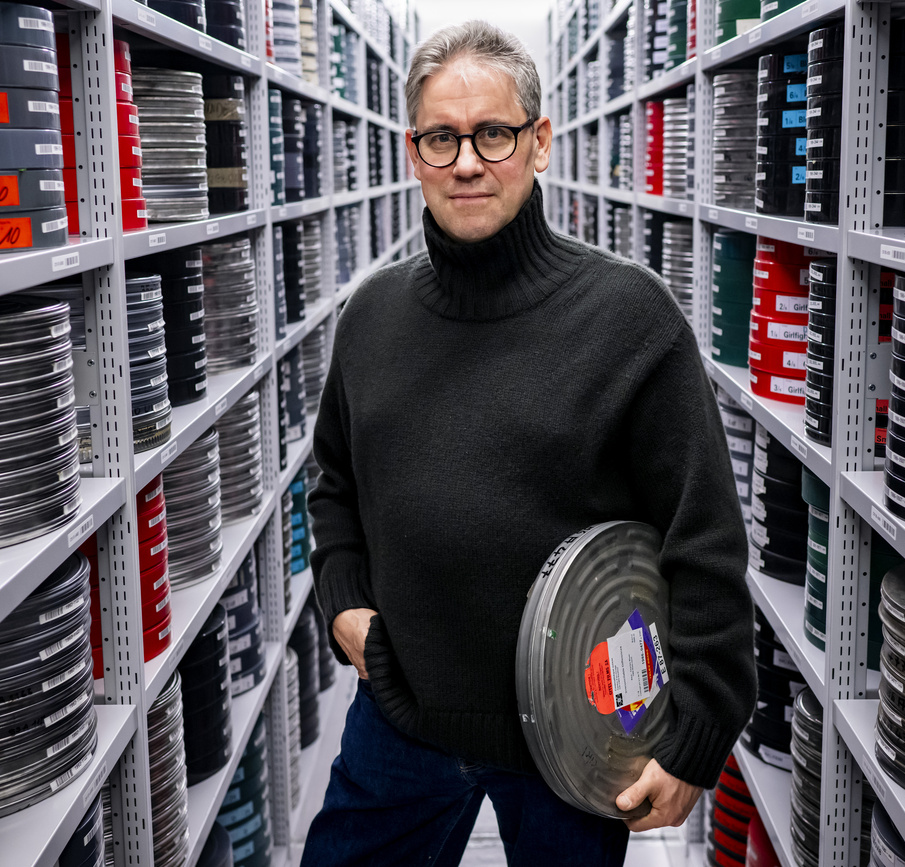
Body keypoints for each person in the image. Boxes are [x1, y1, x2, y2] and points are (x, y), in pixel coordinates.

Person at [301, 20, 755, 867]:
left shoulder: (630, 319)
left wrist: (698, 730)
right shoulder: (372, 317)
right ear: (413, 154)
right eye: (442, 138)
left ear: (538, 142)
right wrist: (346, 606)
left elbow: (706, 537)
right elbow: (332, 486)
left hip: (574, 742)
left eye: (493, 134)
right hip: (402, 717)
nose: (467, 162)